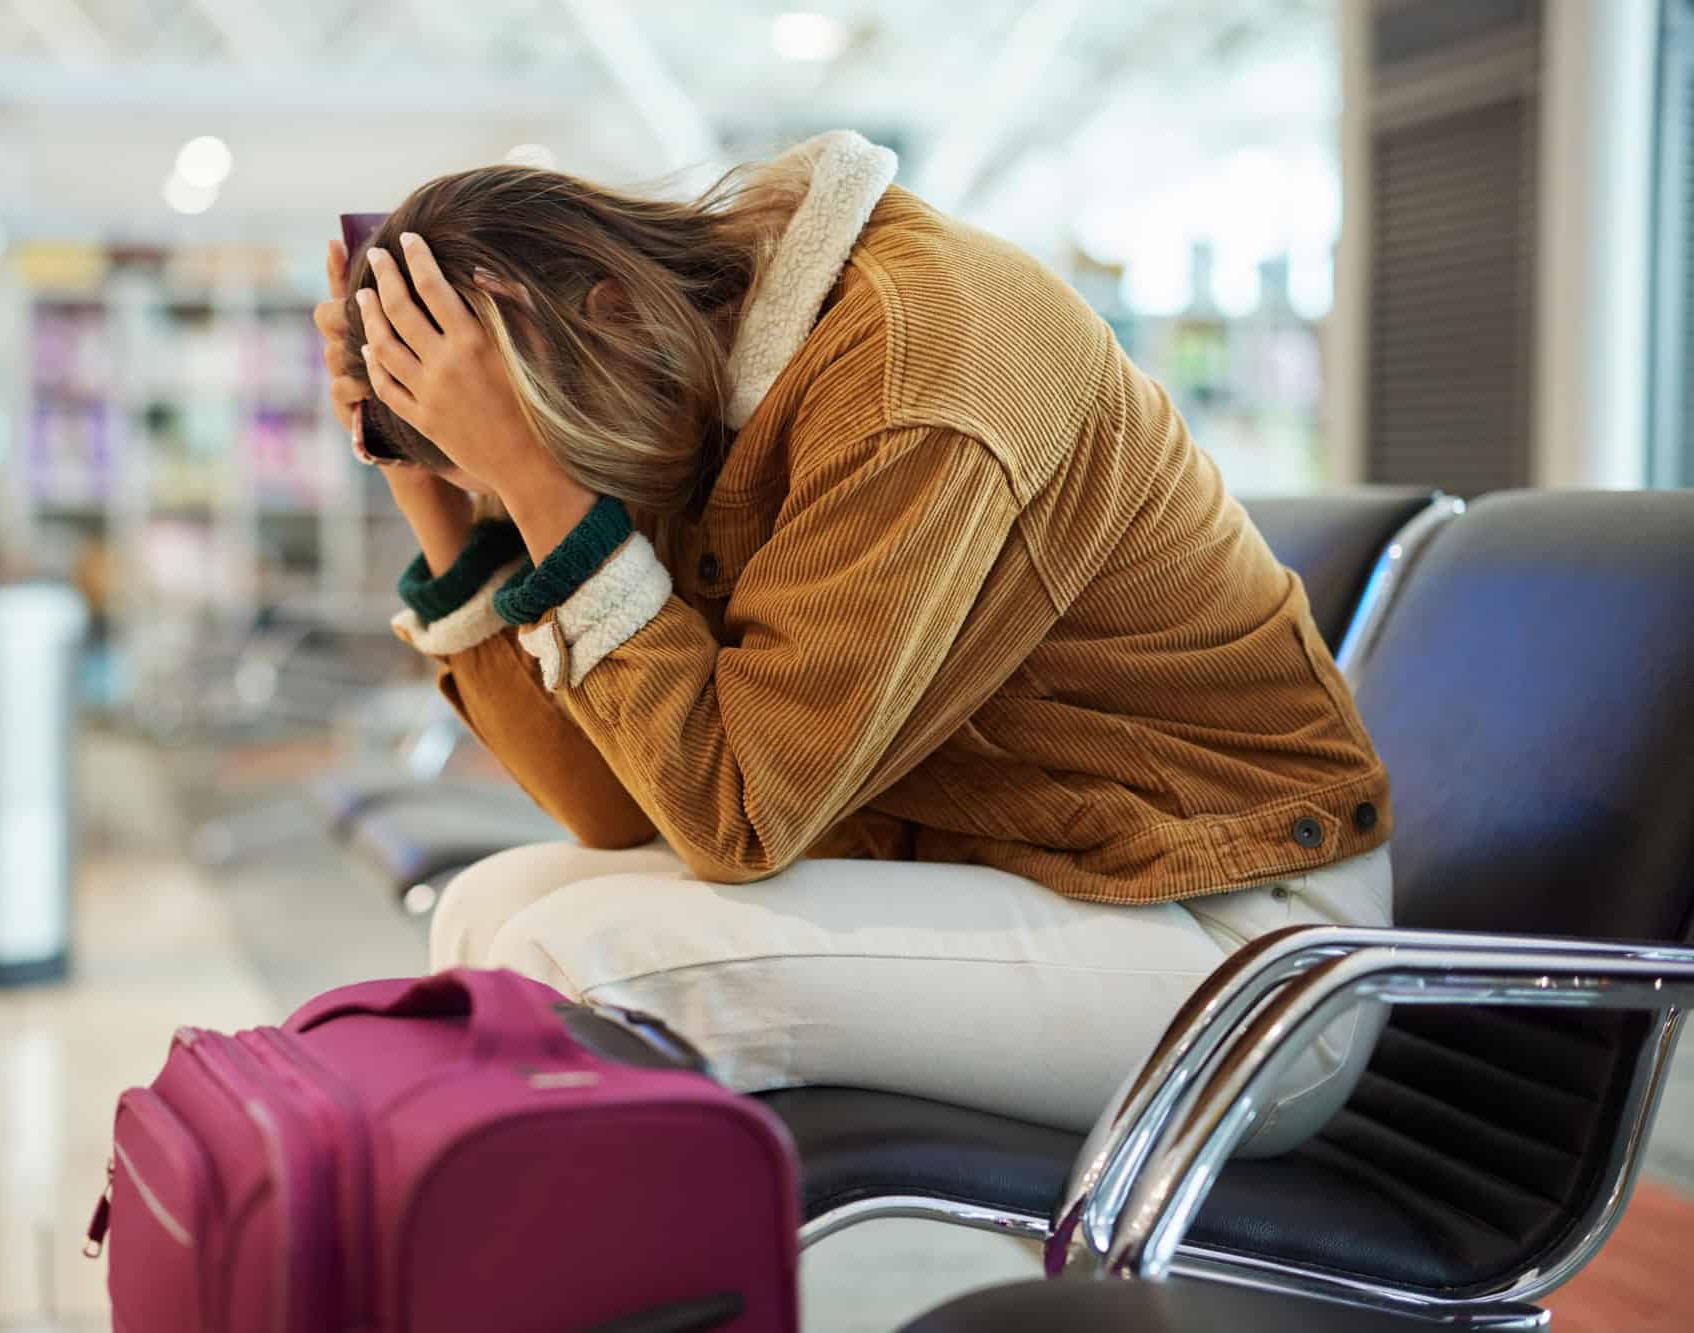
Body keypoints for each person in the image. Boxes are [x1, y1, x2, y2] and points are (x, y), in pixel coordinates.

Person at [311, 131, 1391, 1155]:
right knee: (490, 905)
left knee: (579, 958)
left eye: (509, 450)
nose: (513, 484)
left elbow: (733, 817)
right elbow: (612, 807)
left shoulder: (914, 372)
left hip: (1235, 945)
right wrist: (433, 484)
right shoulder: (675, 373)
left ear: (608, 308)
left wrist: (545, 490)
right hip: (1028, 876)